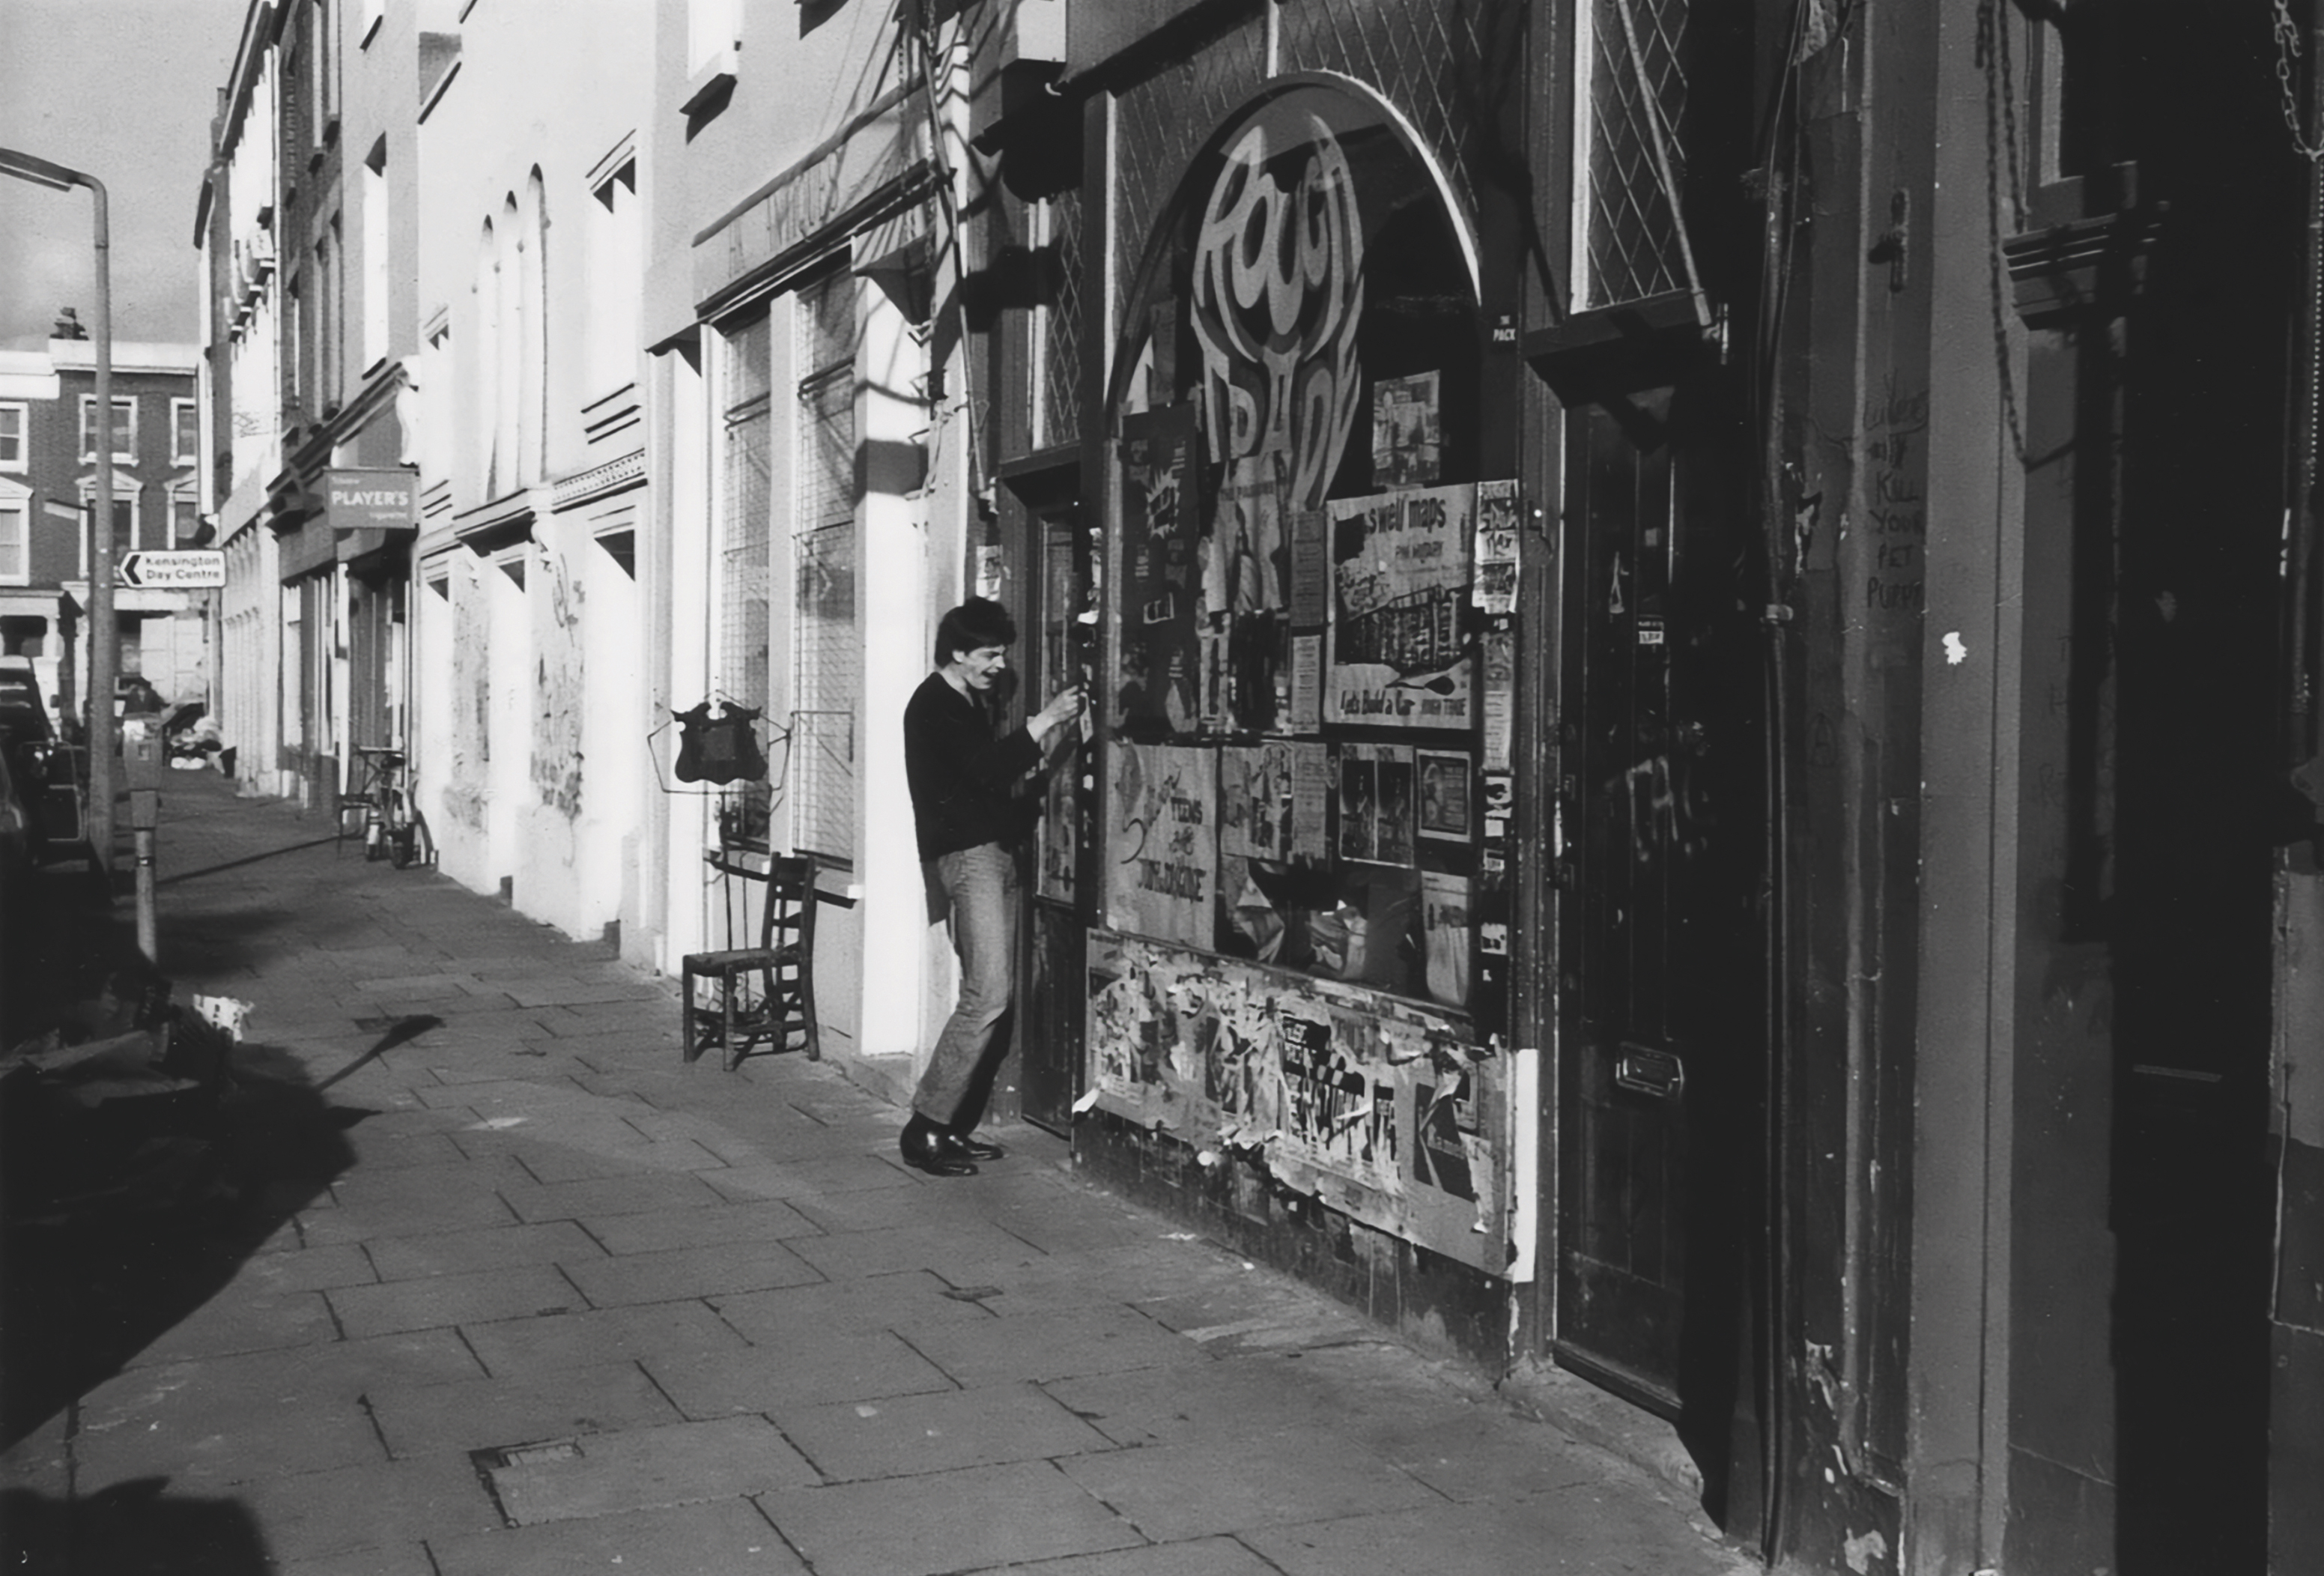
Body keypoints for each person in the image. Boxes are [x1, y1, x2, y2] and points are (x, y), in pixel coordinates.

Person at [899, 598, 1084, 1177]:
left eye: (1002, 653)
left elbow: (984, 777)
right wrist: (1048, 718)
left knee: (993, 996)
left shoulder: (963, 702)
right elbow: (983, 770)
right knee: (988, 994)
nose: (999, 664)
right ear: (957, 653)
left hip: (992, 856)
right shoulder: (935, 705)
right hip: (971, 861)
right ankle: (925, 1127)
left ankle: (952, 1126)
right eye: (988, 654)